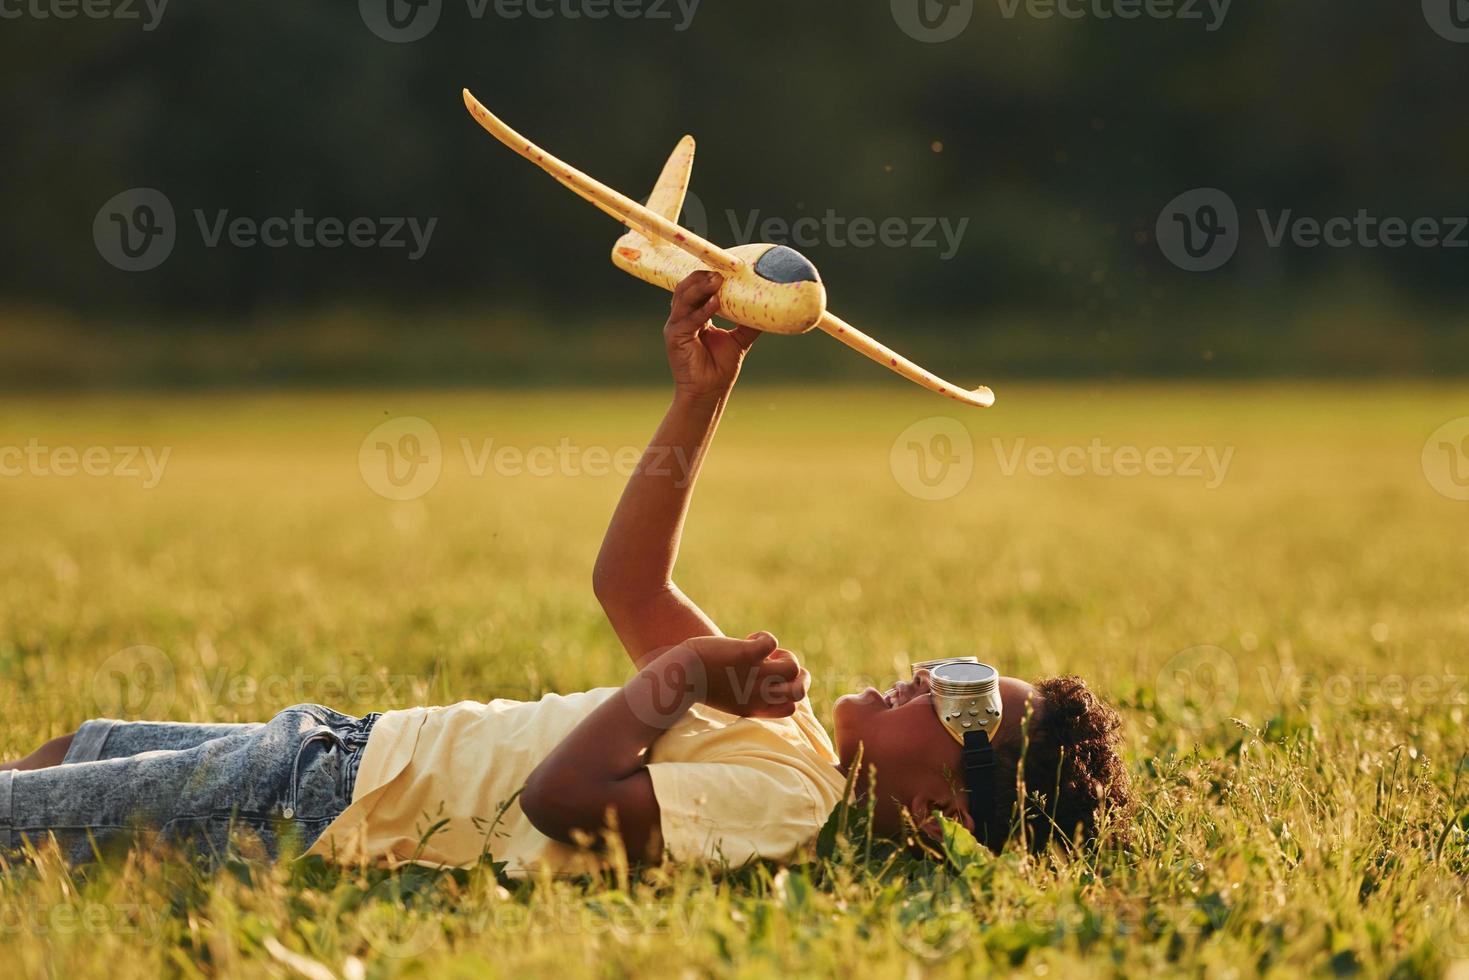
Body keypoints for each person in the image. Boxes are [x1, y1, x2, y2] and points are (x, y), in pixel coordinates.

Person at [0, 272, 1131, 872]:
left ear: (940, 811)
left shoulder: (785, 807)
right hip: (346, 745)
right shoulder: (789, 742)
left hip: (329, 809)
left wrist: (685, 671)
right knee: (69, 753)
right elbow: (627, 589)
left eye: (966, 699)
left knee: (23, 826)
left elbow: (562, 798)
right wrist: (700, 398)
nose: (932, 669)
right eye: (962, 666)